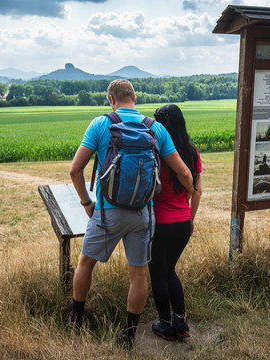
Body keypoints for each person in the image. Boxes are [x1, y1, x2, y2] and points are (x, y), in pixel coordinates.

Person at [68, 80, 194, 349]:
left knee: (85, 264)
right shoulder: (155, 128)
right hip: (142, 215)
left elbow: (75, 170)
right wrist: (190, 193)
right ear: (135, 98)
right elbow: (184, 172)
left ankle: (76, 320)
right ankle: (129, 334)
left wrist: (86, 203)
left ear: (111, 99)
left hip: (106, 214)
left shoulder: (101, 124)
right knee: (138, 275)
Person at [148, 104, 202, 340]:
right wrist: (190, 219)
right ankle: (181, 322)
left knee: (159, 274)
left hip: (158, 223)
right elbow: (197, 191)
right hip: (182, 222)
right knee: (170, 271)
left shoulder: (155, 151)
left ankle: (166, 324)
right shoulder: (192, 152)